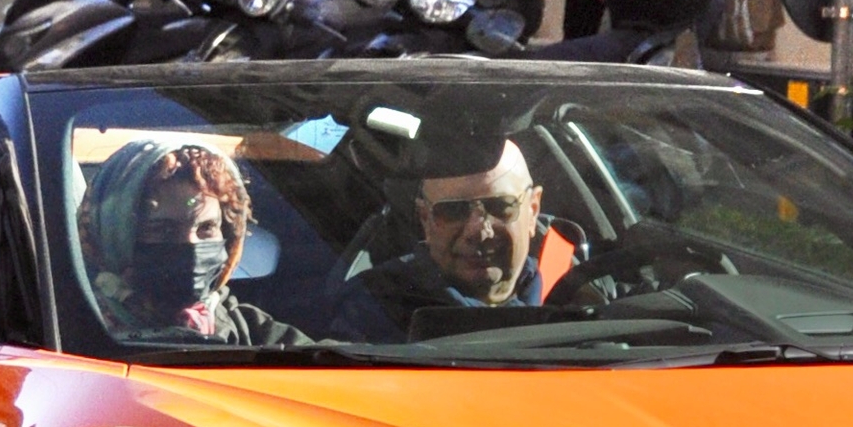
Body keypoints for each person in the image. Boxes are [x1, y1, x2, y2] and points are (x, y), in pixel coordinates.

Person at [81, 141, 307, 345]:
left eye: (206, 228)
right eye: (163, 230)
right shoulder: (70, 331)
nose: (191, 245)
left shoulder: (243, 326)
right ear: (112, 234)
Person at [349, 136, 575, 336]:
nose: (478, 231)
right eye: (452, 211)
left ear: (533, 210)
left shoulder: (577, 296)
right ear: (425, 219)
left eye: (500, 206)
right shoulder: (371, 308)